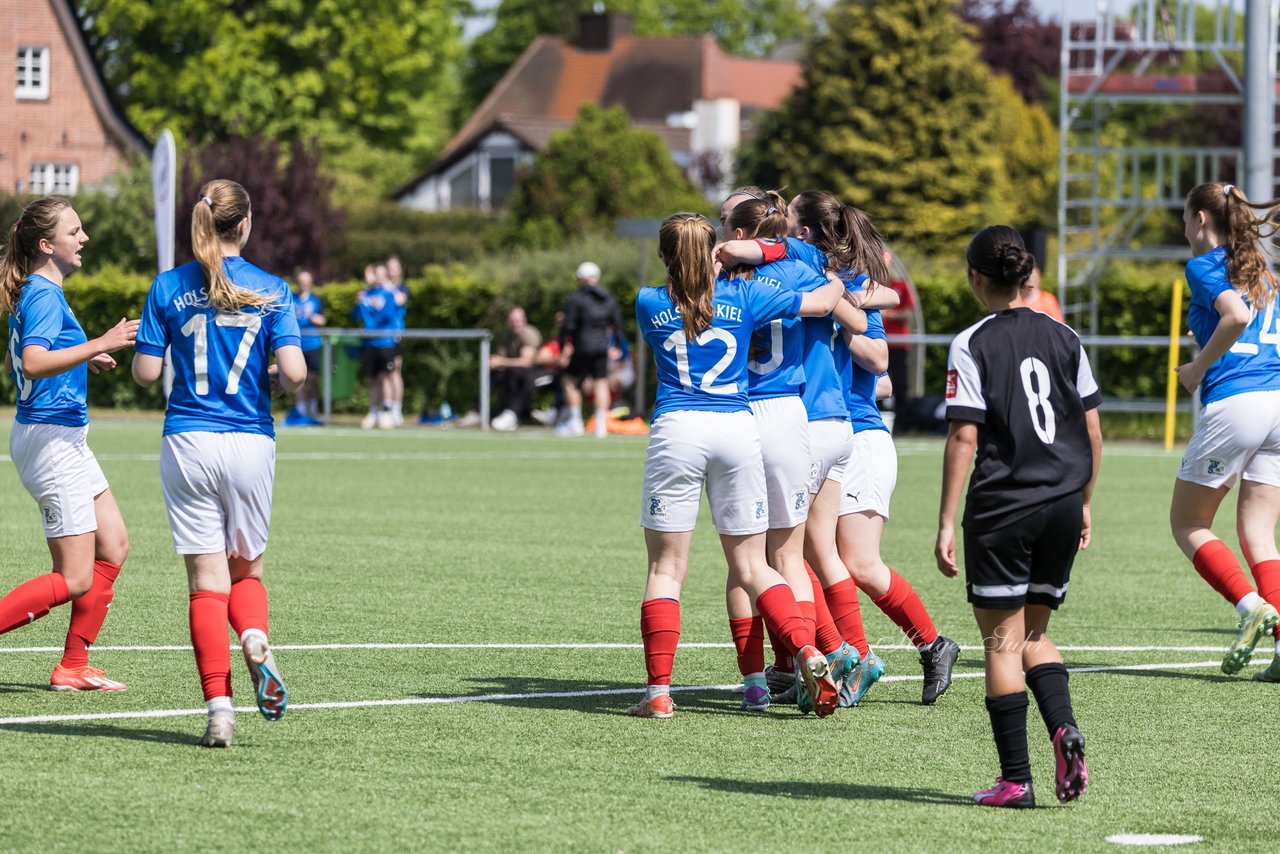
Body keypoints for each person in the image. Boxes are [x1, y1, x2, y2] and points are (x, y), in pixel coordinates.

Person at [629, 212, 845, 719]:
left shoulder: (647, 302)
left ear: (664, 257)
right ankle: (807, 651)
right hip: (736, 428)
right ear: (714, 252)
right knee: (753, 565)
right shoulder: (744, 297)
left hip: (678, 428)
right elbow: (817, 299)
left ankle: (659, 693)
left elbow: (683, 302)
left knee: (666, 568)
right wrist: (832, 277)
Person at [132, 179, 307, 747]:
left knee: (206, 583)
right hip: (250, 440)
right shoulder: (272, 287)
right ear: (246, 224)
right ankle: (254, 636)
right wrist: (278, 377)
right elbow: (296, 373)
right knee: (246, 571)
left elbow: (146, 375)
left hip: (188, 440)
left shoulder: (168, 285)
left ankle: (219, 712)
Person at [936, 225, 1101, 808]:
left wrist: (945, 520)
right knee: (1035, 634)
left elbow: (963, 436)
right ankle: (1063, 727)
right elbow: (1092, 429)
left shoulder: (971, 342)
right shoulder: (1065, 336)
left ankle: (1016, 781)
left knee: (1003, 644)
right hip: (1060, 502)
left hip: (1004, 506)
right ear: (1024, 274)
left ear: (975, 276)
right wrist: (1082, 501)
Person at [719, 191, 869, 715]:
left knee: (743, 563)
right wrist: (836, 284)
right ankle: (815, 661)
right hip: (790, 415)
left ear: (738, 233)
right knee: (790, 557)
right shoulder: (802, 265)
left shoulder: (715, 278)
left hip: (738, 413)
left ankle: (759, 680)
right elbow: (843, 307)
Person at [0, 197, 136, 692]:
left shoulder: (45, 291)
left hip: (66, 438)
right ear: (45, 244)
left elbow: (47, 353)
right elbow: (34, 362)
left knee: (114, 544)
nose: (83, 239)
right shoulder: (41, 293)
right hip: (50, 440)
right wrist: (99, 343)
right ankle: (71, 665)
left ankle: (73, 666)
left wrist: (84, 358)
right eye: (74, 231)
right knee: (75, 576)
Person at [1169, 181, 1280, 681]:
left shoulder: (1203, 264)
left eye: (1184, 218)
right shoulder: (1264, 272)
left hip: (1238, 403)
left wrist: (1196, 368)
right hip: (1277, 402)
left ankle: (1249, 606)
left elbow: (1233, 317)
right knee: (1259, 533)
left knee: (1187, 524)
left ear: (1199, 220)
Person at [557, 261, 622, 438]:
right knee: (601, 382)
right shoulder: (607, 298)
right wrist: (615, 345)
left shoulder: (575, 299)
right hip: (601, 347)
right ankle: (601, 426)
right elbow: (617, 325)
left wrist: (563, 346)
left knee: (569, 381)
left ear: (580, 279)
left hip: (581, 346)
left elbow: (567, 326)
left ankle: (576, 421)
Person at [355, 264, 399, 429]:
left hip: (385, 341)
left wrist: (379, 307)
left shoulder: (388, 294)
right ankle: (372, 412)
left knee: (385, 376)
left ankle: (386, 411)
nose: (379, 277)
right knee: (373, 378)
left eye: (382, 274)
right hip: (369, 342)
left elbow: (389, 316)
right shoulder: (365, 294)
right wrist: (358, 303)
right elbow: (356, 315)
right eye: (376, 274)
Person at [488, 306, 545, 431]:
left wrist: (501, 362)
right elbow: (501, 356)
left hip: (534, 373)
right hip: (512, 370)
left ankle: (512, 414)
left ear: (524, 320)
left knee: (514, 373)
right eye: (512, 320)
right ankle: (480, 411)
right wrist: (493, 362)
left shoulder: (529, 334)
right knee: (492, 374)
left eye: (518, 320)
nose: (515, 324)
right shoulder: (506, 335)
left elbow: (526, 362)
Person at [285, 269, 325, 426]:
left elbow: (322, 320)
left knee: (313, 378)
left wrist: (311, 317)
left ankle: (313, 408)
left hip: (313, 344)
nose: (303, 284)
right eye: (301, 281)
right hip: (296, 345)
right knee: (298, 377)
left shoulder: (316, 300)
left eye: (306, 281)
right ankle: (301, 409)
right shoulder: (291, 299)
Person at [386, 255, 409, 427]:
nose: (391, 271)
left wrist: (388, 287)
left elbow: (400, 300)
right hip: (381, 338)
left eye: (395, 267)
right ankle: (386, 408)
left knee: (395, 373)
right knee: (383, 375)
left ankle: (397, 410)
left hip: (394, 337)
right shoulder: (382, 288)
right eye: (389, 267)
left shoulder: (401, 288)